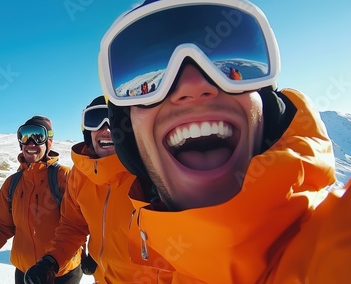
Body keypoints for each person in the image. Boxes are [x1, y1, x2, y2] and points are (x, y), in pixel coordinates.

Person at [100, 0, 351, 283]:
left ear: (267, 107)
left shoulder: (333, 242)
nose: (193, 85)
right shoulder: (148, 257)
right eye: (147, 82)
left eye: (221, 61)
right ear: (128, 131)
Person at [24, 96, 172, 283]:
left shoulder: (151, 169)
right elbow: (73, 226)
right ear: (87, 132)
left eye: (113, 120)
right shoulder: (80, 175)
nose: (106, 129)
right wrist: (52, 261)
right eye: (95, 119)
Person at [0, 115, 82, 284]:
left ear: (48, 141)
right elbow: (1, 225)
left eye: (38, 136)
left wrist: (89, 254)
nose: (30, 143)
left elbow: (79, 224)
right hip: (24, 273)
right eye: (25, 136)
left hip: (60, 273)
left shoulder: (64, 177)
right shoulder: (12, 183)